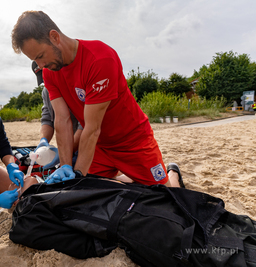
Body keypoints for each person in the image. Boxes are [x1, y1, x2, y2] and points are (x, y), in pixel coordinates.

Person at [11, 11, 183, 187]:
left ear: (54, 37)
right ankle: (132, 178)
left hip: (131, 141)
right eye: (35, 60)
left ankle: (173, 173)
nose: (40, 66)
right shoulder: (49, 73)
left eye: (40, 56)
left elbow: (93, 128)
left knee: (166, 197)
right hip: (98, 147)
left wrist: (77, 172)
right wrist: (66, 166)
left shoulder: (99, 59)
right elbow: (62, 121)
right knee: (89, 192)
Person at [32, 61, 83, 169]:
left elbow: (84, 125)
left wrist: (65, 152)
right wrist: (43, 140)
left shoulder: (76, 84)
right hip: (70, 145)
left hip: (87, 144)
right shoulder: (46, 91)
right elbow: (47, 118)